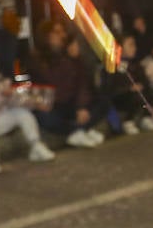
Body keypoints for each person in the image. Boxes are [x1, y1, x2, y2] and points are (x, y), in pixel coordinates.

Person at [26, 19, 112, 148]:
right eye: (57, 32)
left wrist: (81, 107)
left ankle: (79, 130)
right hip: (54, 104)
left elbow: (83, 83)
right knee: (45, 117)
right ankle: (77, 130)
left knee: (103, 101)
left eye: (63, 32)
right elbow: (54, 82)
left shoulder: (68, 54)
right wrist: (68, 58)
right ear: (46, 36)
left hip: (72, 103)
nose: (62, 35)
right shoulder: (38, 58)